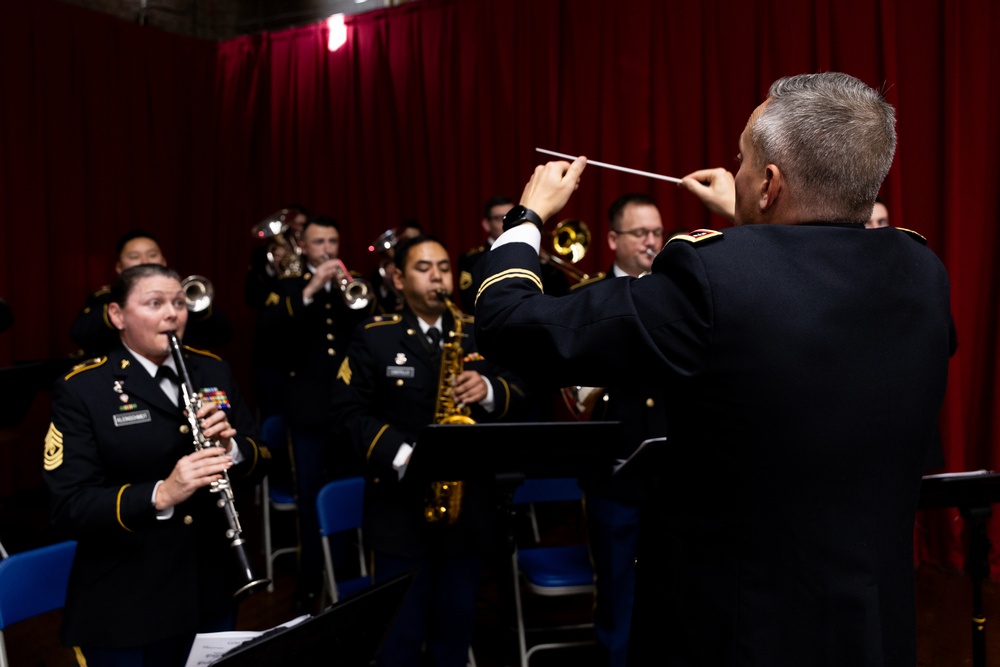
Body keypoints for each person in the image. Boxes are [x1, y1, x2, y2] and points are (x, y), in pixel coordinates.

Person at [473, 72, 952, 666]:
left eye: (743, 161)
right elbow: (812, 279)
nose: (738, 173)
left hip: (737, 631)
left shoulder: (712, 279)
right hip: (867, 627)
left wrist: (527, 218)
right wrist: (757, 219)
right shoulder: (922, 273)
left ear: (771, 183)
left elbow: (508, 321)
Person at [44, 263, 269, 666]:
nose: (172, 313)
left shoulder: (211, 368)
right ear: (117, 316)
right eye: (155, 303)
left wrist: (230, 450)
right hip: (127, 604)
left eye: (179, 303)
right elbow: (69, 506)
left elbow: (262, 456)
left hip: (210, 590)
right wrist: (161, 493)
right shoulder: (83, 389)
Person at [331, 234, 526, 667]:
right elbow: (348, 414)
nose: (438, 276)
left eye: (443, 267)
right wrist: (407, 457)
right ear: (398, 278)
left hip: (468, 511)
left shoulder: (477, 331)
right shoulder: (373, 338)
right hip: (399, 513)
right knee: (399, 640)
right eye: (424, 268)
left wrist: (490, 389)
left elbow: (522, 389)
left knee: (454, 638)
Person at [256, 214, 375, 612]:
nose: (327, 248)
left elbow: (369, 327)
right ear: (303, 247)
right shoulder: (286, 286)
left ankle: (345, 578)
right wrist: (310, 288)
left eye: (333, 241)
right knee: (309, 500)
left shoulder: (351, 281)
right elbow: (268, 330)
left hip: (348, 407)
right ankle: (309, 584)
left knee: (348, 492)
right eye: (319, 241)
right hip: (305, 410)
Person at [569, 192, 668, 667]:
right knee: (617, 599)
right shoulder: (587, 300)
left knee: (675, 594)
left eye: (657, 233)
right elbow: (575, 397)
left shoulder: (676, 293)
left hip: (672, 478)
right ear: (612, 240)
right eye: (641, 233)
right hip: (614, 478)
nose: (652, 242)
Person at [71, 230, 233, 358]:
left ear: (163, 262)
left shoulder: (181, 293)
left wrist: (184, 302)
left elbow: (221, 334)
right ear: (119, 268)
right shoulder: (105, 297)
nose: (145, 261)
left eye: (152, 255)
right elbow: (81, 333)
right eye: (134, 257)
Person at [457, 195, 569, 313]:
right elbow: (471, 302)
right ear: (486, 224)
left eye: (512, 216)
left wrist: (543, 262)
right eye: (500, 218)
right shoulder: (472, 259)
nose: (509, 223)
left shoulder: (531, 252)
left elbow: (561, 293)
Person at [370, 219, 424, 314]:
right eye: (406, 240)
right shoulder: (383, 269)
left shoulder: (430, 265)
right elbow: (377, 301)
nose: (411, 244)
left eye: (416, 240)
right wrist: (387, 282)